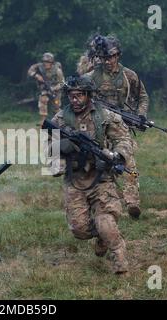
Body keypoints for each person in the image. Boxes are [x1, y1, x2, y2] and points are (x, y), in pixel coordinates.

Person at [51, 75, 133, 274]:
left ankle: (120, 261)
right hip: (75, 179)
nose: (75, 100)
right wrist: (63, 153)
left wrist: (115, 155)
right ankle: (102, 237)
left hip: (101, 178)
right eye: (71, 95)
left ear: (88, 95)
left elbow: (124, 139)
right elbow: (50, 148)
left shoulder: (105, 116)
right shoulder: (60, 119)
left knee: (105, 219)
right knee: (79, 230)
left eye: (79, 95)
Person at [85, 35, 149, 219]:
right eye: (105, 57)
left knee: (128, 162)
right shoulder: (90, 77)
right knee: (99, 166)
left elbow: (143, 97)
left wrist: (141, 114)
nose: (109, 61)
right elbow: (79, 100)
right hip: (97, 127)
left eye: (112, 56)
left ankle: (132, 201)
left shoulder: (129, 75)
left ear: (118, 55)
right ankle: (99, 204)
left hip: (120, 126)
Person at [27, 52, 65, 126]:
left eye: (48, 62)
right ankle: (43, 121)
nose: (46, 64)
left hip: (55, 91)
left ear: (52, 62)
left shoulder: (57, 70)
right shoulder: (39, 67)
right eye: (44, 62)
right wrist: (36, 75)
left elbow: (62, 83)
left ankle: (59, 122)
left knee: (56, 106)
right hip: (44, 88)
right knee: (43, 101)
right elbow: (30, 71)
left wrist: (54, 88)